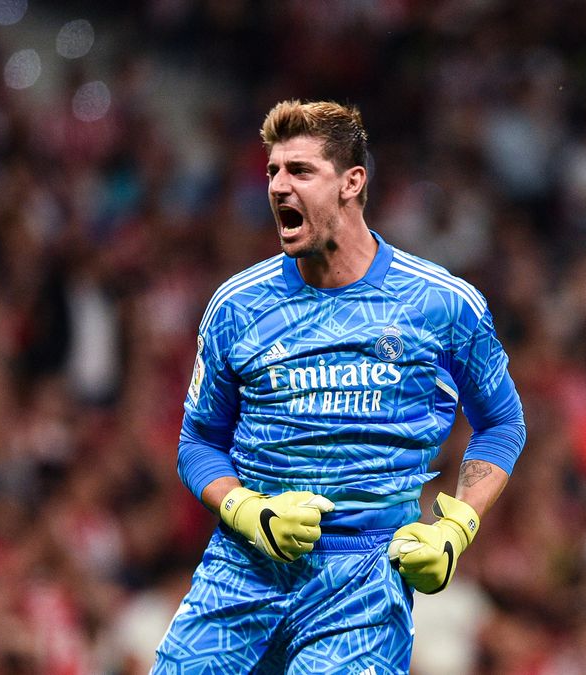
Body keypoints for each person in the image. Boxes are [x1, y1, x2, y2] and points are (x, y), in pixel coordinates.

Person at [153, 100, 526, 674]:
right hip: (243, 567)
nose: (278, 186)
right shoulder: (236, 306)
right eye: (273, 170)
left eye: (300, 171)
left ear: (353, 182)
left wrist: (456, 527)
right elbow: (198, 443)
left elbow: (502, 423)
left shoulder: (439, 304)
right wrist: (248, 509)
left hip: (362, 586)